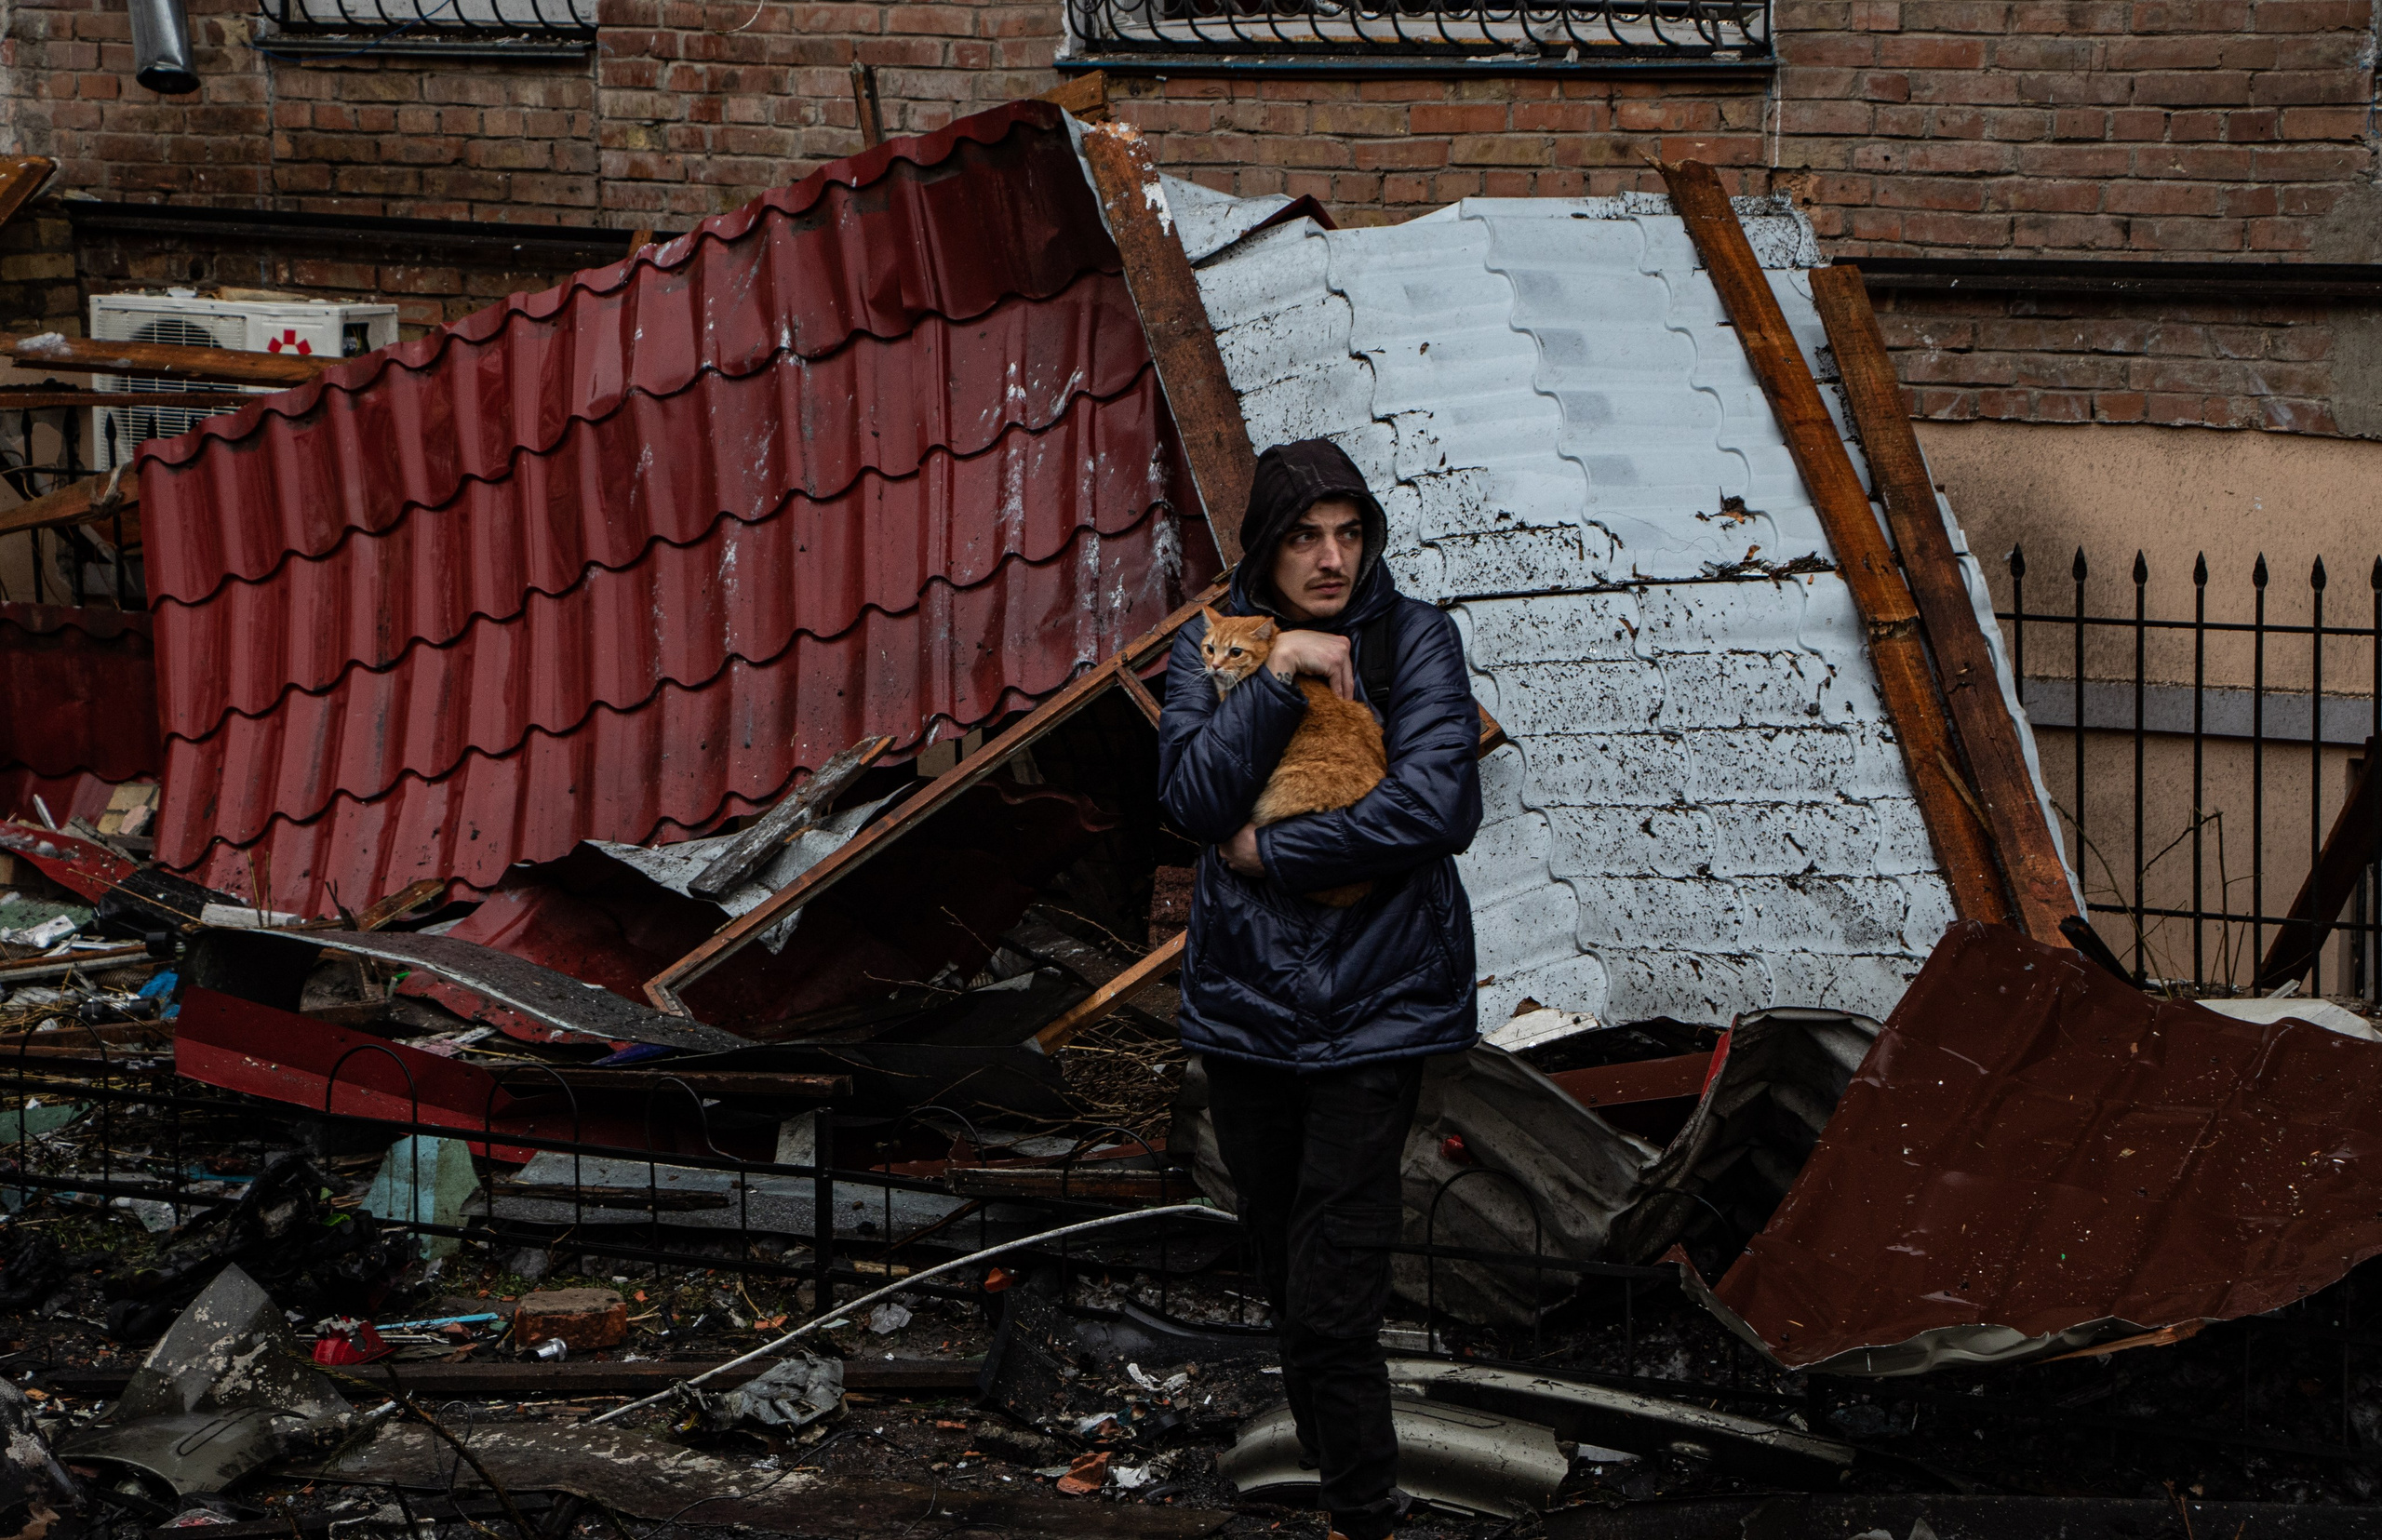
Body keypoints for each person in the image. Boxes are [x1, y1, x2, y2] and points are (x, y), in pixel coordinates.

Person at [1157, 438, 1483, 1540]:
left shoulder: (1415, 636)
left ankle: (1363, 1506)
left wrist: (1279, 855)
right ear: (1266, 548)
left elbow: (1438, 809)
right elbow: (1195, 799)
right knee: (1282, 1266)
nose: (1331, 556)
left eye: (1348, 533)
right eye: (1305, 535)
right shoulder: (1215, 648)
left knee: (1337, 1276)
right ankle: (1351, 1485)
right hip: (1249, 1009)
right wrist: (1282, 672)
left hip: (1375, 1002)